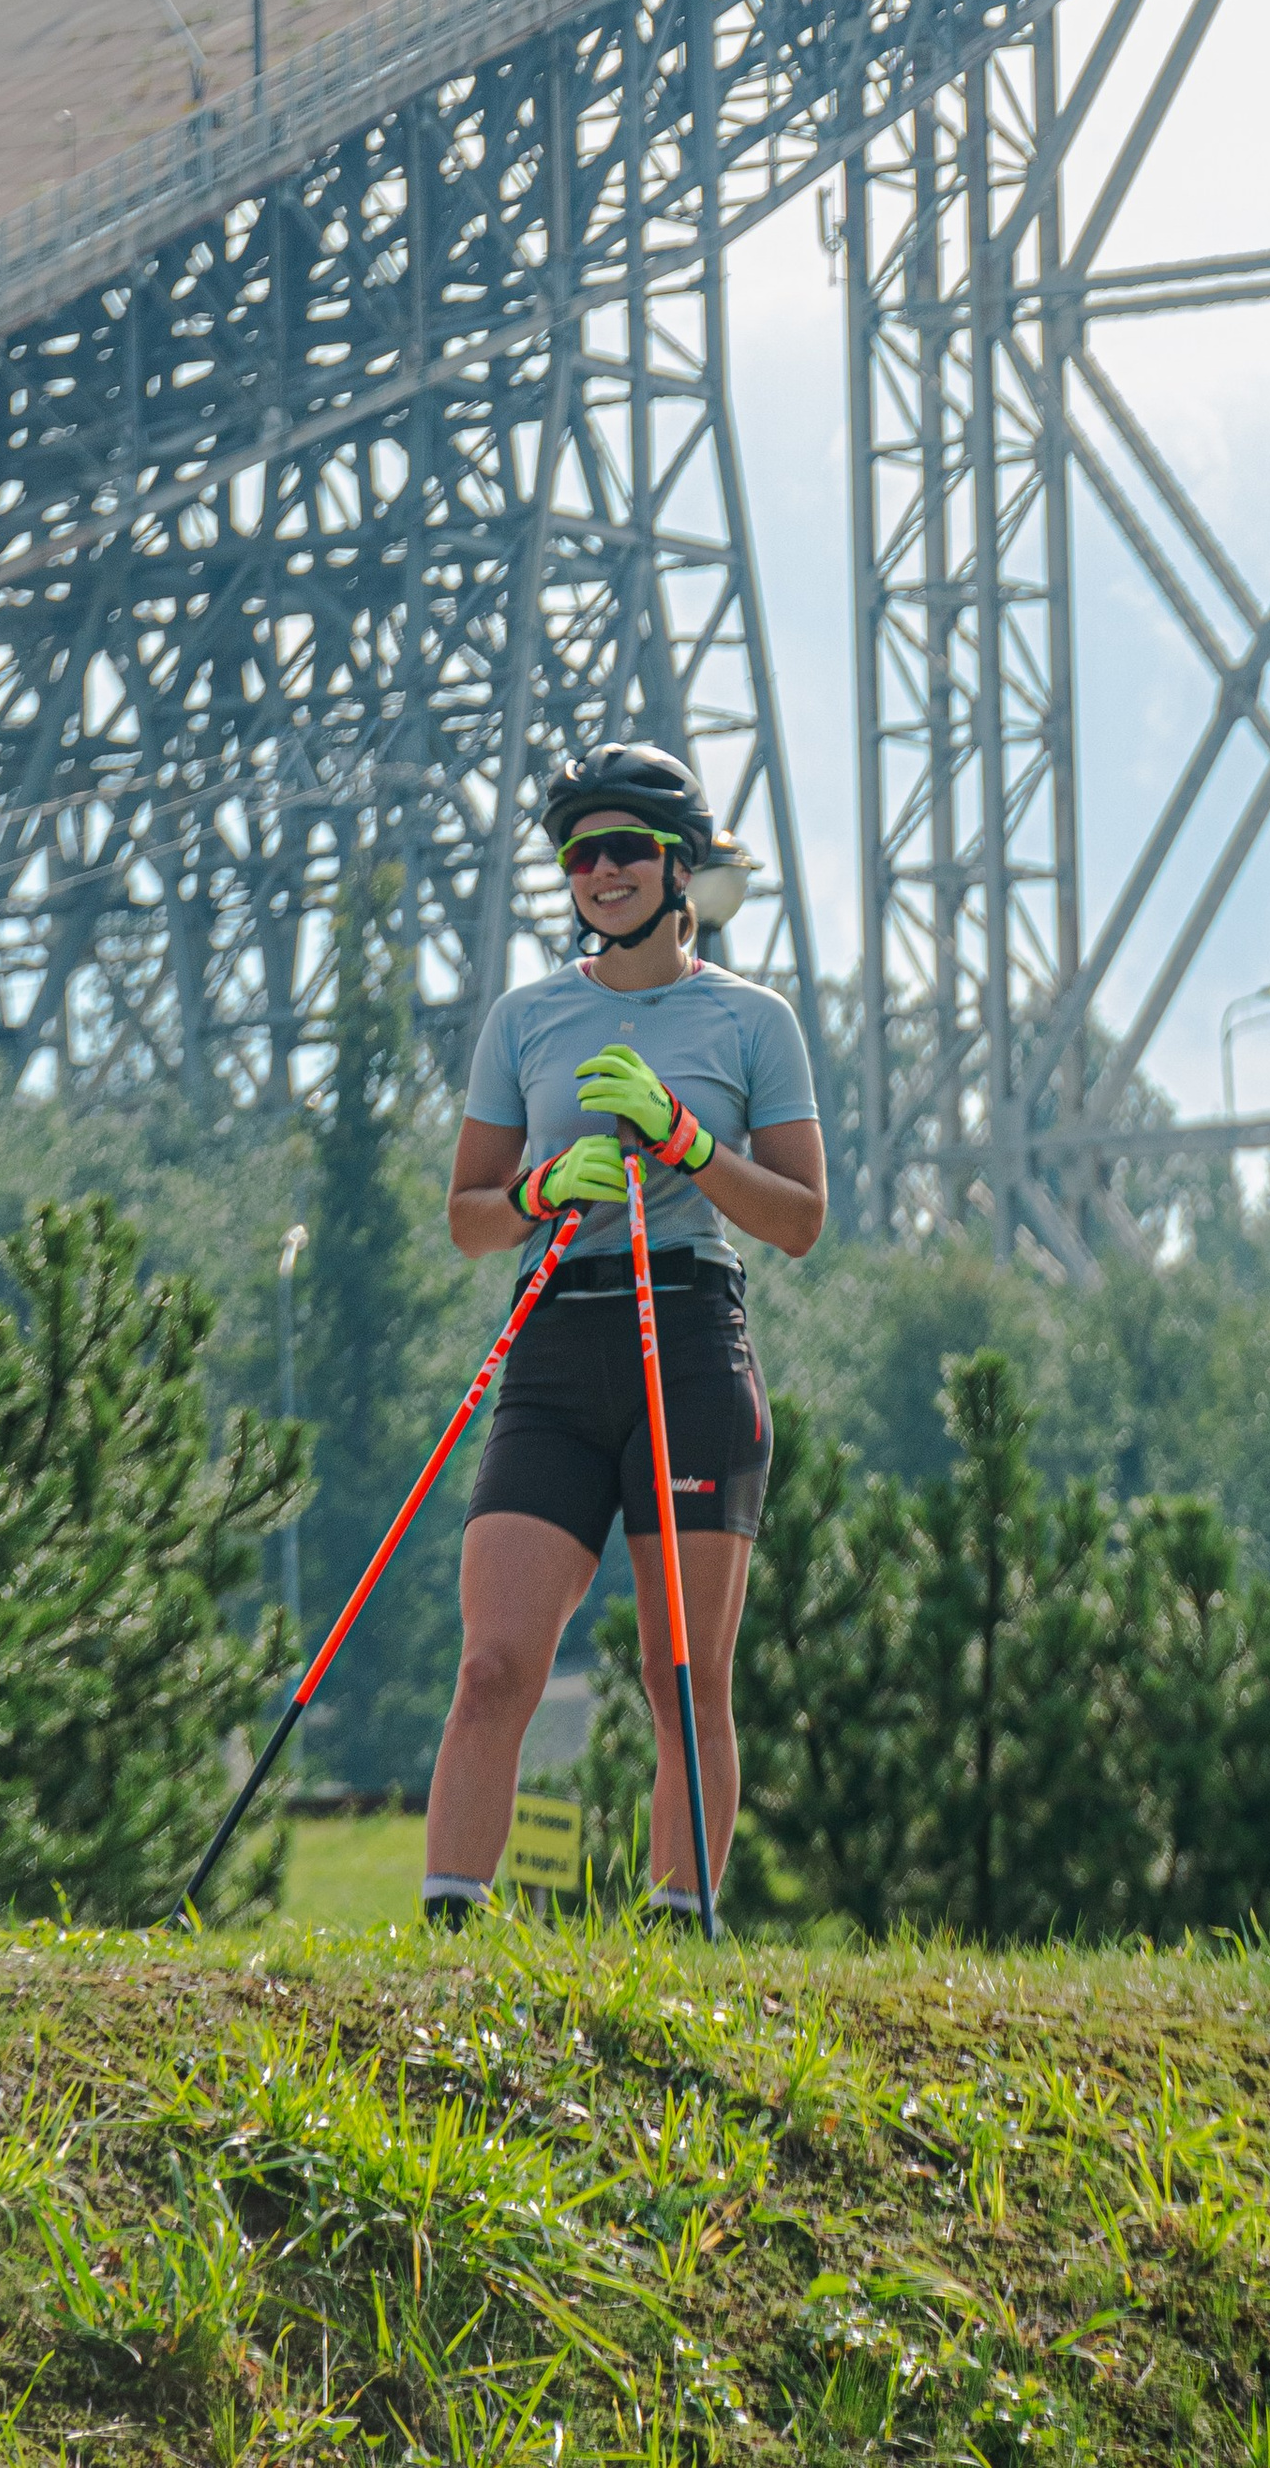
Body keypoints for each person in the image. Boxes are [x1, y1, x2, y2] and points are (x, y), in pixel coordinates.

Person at [420, 743, 827, 1925]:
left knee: (679, 1671)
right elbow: (467, 1219)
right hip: (554, 1343)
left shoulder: (754, 1021)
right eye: (580, 853)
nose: (600, 873)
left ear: (679, 866)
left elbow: (800, 1221)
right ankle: (450, 1925)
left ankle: (677, 1922)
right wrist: (544, 1192)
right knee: (494, 1661)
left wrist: (690, 1148)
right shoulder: (527, 1017)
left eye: (626, 850)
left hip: (689, 1334)